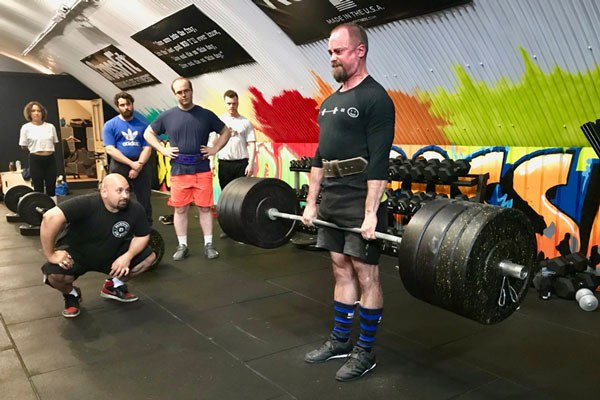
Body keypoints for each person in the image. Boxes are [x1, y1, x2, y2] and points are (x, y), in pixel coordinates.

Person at [301, 23, 395, 381]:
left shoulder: (376, 98)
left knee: (365, 273)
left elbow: (380, 160)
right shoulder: (328, 103)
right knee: (339, 267)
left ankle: (365, 351)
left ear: (359, 51)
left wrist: (372, 212)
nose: (332, 58)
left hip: (360, 197)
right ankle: (341, 340)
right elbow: (318, 158)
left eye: (338, 51)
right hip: (333, 198)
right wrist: (312, 203)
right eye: (329, 52)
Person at [40, 174, 156, 318]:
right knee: (55, 275)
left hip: (111, 252)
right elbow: (50, 217)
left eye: (127, 190)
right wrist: (51, 254)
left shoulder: (135, 209)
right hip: (77, 254)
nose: (125, 195)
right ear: (104, 192)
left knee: (149, 258)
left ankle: (113, 285)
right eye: (119, 191)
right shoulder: (86, 203)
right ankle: (71, 294)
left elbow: (142, 235)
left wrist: (128, 256)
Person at [143, 77, 231, 260]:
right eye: (179, 92)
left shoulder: (205, 115)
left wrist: (214, 149)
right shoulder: (167, 116)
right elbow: (148, 133)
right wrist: (162, 149)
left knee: (205, 209)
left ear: (191, 91)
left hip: (202, 169)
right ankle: (182, 245)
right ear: (175, 94)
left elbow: (226, 132)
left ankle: (209, 244)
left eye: (186, 91)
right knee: (180, 210)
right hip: (179, 171)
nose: (183, 95)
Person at [209, 89, 256, 238]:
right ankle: (227, 228)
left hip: (241, 163)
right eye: (229, 103)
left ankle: (243, 226)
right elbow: (213, 143)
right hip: (225, 163)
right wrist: (212, 161)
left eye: (234, 103)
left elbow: (252, 144)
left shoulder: (245, 122)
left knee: (243, 196)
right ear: (225, 103)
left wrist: (251, 163)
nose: (232, 106)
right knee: (226, 197)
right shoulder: (219, 122)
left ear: (238, 103)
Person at [102, 91, 153, 224]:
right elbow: (110, 149)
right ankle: (118, 223)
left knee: (144, 198)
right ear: (118, 107)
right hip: (120, 165)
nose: (126, 107)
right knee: (117, 196)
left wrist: (138, 165)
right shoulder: (110, 125)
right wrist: (131, 164)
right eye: (122, 105)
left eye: (128, 104)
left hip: (140, 164)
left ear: (132, 104)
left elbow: (147, 147)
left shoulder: (143, 126)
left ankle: (145, 226)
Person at [19, 101, 59, 202]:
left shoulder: (50, 127)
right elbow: (23, 145)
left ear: (42, 113)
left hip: (50, 159)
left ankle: (53, 211)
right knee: (38, 188)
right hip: (35, 159)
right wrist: (35, 148)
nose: (36, 113)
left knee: (51, 186)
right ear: (29, 113)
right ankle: (39, 213)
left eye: (38, 111)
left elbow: (54, 142)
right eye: (33, 111)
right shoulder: (26, 128)